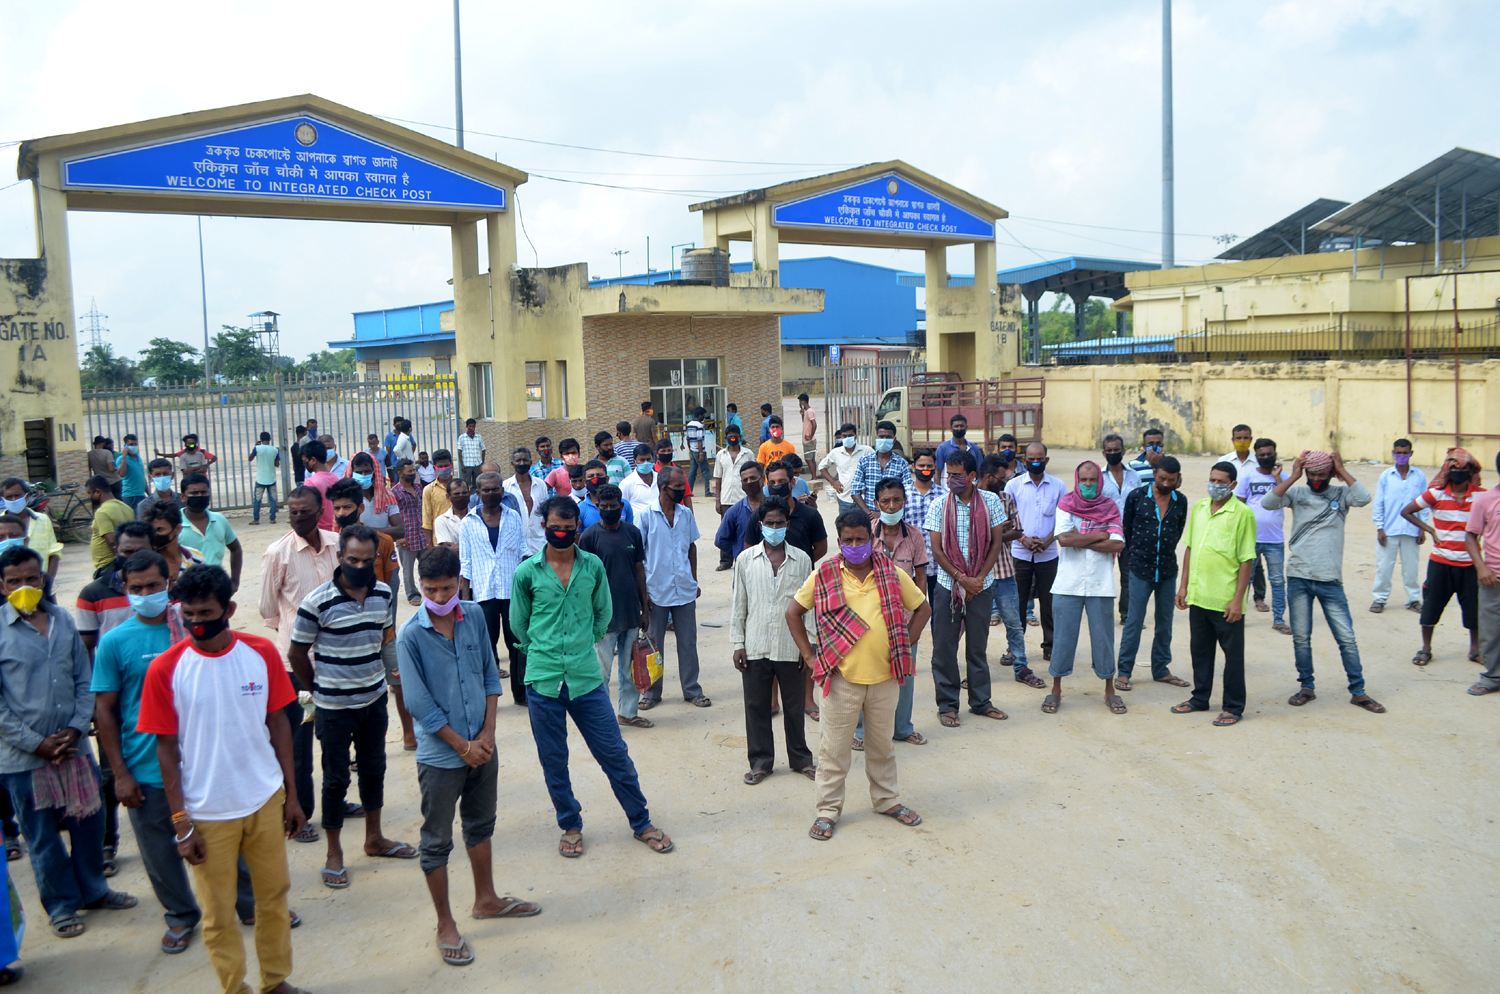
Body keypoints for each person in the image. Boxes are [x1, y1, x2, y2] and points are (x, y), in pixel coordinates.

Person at [137, 565, 307, 994]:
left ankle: (275, 981)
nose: (197, 622)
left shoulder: (261, 653)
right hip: (207, 812)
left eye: (206, 613)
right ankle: (234, 988)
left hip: (264, 798)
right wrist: (181, 820)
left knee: (274, 898)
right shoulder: (165, 669)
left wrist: (291, 795)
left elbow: (279, 724)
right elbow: (165, 750)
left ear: (228, 610)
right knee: (217, 914)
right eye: (189, 614)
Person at [93, 550, 266, 954]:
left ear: (168, 583)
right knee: (160, 850)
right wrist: (120, 773)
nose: (145, 594)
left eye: (153, 585)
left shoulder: (195, 626)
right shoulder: (115, 642)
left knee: (228, 841)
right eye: (136, 588)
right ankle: (181, 915)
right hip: (146, 766)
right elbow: (104, 711)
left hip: (205, 761)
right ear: (125, 589)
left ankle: (248, 905)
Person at [396, 546, 539, 967]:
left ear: (460, 582)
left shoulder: (474, 616)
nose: (439, 597)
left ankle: (486, 899)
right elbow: (419, 704)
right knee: (436, 841)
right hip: (441, 758)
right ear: (420, 586)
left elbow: (490, 676)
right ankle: (445, 923)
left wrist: (487, 734)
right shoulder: (410, 635)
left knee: (481, 824)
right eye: (430, 590)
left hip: (483, 748)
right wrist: (462, 745)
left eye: (446, 588)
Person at [511, 498, 674, 858]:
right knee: (554, 760)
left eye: (568, 529)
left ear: (577, 530)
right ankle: (570, 824)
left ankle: (641, 821)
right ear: (544, 526)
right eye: (555, 527)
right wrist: (544, 649)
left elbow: (603, 614)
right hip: (543, 682)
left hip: (586, 679)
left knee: (615, 754)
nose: (561, 533)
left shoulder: (592, 567)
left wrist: (585, 643)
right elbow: (518, 625)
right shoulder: (527, 573)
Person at [0, 544, 138, 940]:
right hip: (25, 757)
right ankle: (60, 906)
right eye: (14, 581)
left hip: (74, 747)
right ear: (1, 585)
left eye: (31, 578)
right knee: (42, 835)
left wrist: (77, 728)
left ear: (43, 578)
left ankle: (94, 890)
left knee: (89, 822)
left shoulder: (62, 619)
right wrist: (36, 743)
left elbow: (84, 678)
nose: (24, 586)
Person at [788, 512, 930, 842]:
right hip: (841, 681)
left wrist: (903, 646)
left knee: (882, 747)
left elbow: (922, 609)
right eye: (848, 540)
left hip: (884, 680)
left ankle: (887, 800)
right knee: (834, 751)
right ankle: (827, 810)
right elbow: (793, 612)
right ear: (839, 542)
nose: (855, 545)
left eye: (861, 539)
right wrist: (810, 657)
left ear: (871, 539)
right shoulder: (824, 574)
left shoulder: (891, 573)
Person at [288, 523, 414, 890]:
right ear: (340, 557)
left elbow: (382, 640)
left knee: (374, 770)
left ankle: (374, 838)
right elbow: (296, 653)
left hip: (373, 701)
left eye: (366, 560)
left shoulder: (383, 594)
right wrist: (319, 689)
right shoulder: (317, 602)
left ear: (376, 558)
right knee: (336, 779)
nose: (359, 566)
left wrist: (383, 681)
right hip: (333, 708)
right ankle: (334, 852)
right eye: (352, 559)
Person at [1260, 451, 1385, 713]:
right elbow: (1269, 502)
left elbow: (1364, 498)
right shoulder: (1297, 493)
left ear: (1331, 473)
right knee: (1301, 638)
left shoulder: (1342, 494)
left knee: (1346, 638)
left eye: (1322, 474)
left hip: (1330, 579)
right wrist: (1293, 476)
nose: (1317, 479)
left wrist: (1343, 470)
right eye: (1312, 474)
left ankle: (1358, 692)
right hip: (1299, 577)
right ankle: (1307, 687)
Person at [259, 486, 339, 838]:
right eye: (293, 512)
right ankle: (300, 813)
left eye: (305, 512)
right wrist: (295, 630)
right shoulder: (279, 553)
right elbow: (267, 607)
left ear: (320, 511)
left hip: (335, 660)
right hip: (296, 666)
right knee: (298, 744)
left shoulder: (337, 545)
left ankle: (336, 802)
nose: (298, 517)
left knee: (335, 738)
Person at [732, 499, 815, 782]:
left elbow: (809, 606)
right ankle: (760, 762)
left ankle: (801, 759)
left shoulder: (802, 560)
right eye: (770, 523)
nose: (775, 528)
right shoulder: (745, 560)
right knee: (756, 707)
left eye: (780, 523)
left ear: (788, 525)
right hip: (755, 644)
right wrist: (738, 643)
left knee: (795, 707)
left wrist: (809, 648)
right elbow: (739, 603)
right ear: (761, 526)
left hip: (791, 645)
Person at [924, 450, 1008, 726]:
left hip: (981, 586)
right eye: (949, 474)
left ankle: (981, 702)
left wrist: (978, 579)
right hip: (948, 586)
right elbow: (937, 550)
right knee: (944, 648)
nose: (951, 479)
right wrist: (962, 578)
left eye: (957, 475)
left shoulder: (991, 502)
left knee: (977, 647)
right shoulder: (939, 505)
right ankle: (948, 705)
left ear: (972, 476)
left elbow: (995, 544)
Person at [327, 480, 411, 748]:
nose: (341, 513)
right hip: (346, 635)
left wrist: (386, 627)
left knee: (399, 683)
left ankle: (410, 734)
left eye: (347, 507)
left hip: (383, 632)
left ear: (360, 508)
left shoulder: (382, 542)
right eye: (337, 508)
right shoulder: (329, 545)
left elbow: (391, 588)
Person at [1171, 462, 1257, 726]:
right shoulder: (1200, 508)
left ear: (1233, 485)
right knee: (1200, 651)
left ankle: (1233, 706)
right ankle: (1200, 698)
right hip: (1199, 596)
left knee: (1233, 657)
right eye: (1212, 480)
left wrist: (1237, 600)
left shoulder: (1242, 514)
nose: (1215, 485)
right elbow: (1190, 549)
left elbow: (1246, 559)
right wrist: (1184, 586)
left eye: (1221, 482)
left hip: (1225, 600)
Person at [1043, 461, 1127, 716]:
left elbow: (1117, 545)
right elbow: (1064, 539)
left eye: (1092, 480)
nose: (1088, 484)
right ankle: (1056, 689)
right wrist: (1100, 534)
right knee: (1062, 638)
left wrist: (1080, 538)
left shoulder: (1110, 507)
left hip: (1100, 584)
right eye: (1084, 480)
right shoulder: (1066, 504)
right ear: (1077, 480)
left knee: (1104, 639)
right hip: (1068, 583)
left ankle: (1110, 689)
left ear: (1099, 481)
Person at [853, 479, 929, 748]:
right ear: (876, 503)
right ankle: (861, 731)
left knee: (904, 675)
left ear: (905, 502)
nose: (891, 506)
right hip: (870, 619)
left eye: (897, 500)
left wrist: (917, 613)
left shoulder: (915, 536)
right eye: (885, 501)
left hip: (904, 620)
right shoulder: (866, 535)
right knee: (866, 676)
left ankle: (902, 728)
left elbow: (921, 577)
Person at [1403, 448, 1485, 667]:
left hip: (1471, 564)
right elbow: (1406, 511)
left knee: (1474, 608)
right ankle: (1426, 648)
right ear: (1448, 470)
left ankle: (1475, 650)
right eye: (1455, 468)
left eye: (1464, 468)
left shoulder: (1481, 496)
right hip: (1441, 562)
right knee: (1432, 606)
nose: (1459, 472)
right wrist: (1429, 529)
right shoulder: (1436, 494)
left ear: (1471, 471)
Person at [578, 484, 652, 728]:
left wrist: (645, 608)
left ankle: (628, 713)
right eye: (604, 506)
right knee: (601, 672)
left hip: (630, 612)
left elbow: (639, 570)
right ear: (597, 506)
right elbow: (584, 579)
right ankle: (601, 719)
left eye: (613, 506)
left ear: (622, 506)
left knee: (629, 670)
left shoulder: (632, 533)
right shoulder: (589, 537)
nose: (609, 509)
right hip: (603, 618)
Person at [1116, 456, 1190, 691]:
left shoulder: (1181, 501)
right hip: (1140, 569)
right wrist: (1136, 556)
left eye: (1171, 480)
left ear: (1178, 479)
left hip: (1167, 570)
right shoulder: (1137, 496)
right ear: (1154, 474)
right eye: (1162, 478)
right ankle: (1124, 671)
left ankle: (1161, 669)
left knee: (1165, 622)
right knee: (1134, 621)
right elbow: (1126, 529)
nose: (1166, 483)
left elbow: (1177, 531)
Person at [638, 467, 709, 710]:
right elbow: (638, 558)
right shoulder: (645, 516)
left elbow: (691, 547)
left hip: (684, 589)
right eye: (678, 487)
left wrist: (694, 580)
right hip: (655, 591)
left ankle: (692, 690)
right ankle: (651, 693)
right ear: (663, 488)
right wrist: (643, 593)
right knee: (653, 644)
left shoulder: (686, 514)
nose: (682, 491)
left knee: (688, 642)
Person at [459, 472, 529, 703]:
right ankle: (486, 697)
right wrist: (466, 601)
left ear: (502, 491)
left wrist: (528, 590)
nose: (491, 493)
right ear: (478, 493)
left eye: (495, 489)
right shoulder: (468, 522)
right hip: (483, 594)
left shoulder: (513, 517)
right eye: (486, 490)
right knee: (485, 648)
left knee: (517, 644)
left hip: (511, 593)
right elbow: (465, 563)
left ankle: (521, 694)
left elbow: (522, 551)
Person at [978, 454, 1039, 687]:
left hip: (1004, 571)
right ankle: (976, 672)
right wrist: (997, 532)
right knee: (977, 626)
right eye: (1002, 479)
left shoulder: (1006, 498)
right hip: (978, 575)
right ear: (989, 477)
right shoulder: (969, 500)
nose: (1005, 482)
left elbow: (1017, 531)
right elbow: (968, 538)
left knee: (1014, 622)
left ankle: (1021, 667)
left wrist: (993, 534)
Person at [1005, 442, 1066, 661]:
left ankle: (1051, 646)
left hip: (1048, 556)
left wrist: (1049, 541)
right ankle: (1015, 648)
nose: (1036, 462)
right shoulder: (1013, 486)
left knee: (1049, 604)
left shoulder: (1058, 486)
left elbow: (1064, 519)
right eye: (1031, 459)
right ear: (1024, 460)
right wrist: (1023, 539)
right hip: (1020, 554)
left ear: (1046, 460)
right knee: (1017, 604)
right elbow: (1006, 519)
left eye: (1040, 459)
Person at [1235, 437, 1291, 633]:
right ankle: (1238, 618)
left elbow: (1287, 500)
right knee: (1245, 580)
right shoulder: (1247, 477)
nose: (1266, 457)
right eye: (1262, 455)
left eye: (1269, 454)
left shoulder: (1284, 477)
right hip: (1251, 538)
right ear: (1256, 456)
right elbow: (1239, 506)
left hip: (1275, 540)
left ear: (1275, 454)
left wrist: (1278, 478)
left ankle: (1279, 620)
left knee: (1278, 581)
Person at [76, 520, 155, 654]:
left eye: (141, 552)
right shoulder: (92, 594)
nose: (134, 558)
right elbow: (85, 649)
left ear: (154, 550)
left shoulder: (167, 589)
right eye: (127, 552)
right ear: (115, 550)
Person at [1371, 438, 1429, 613]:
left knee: (1411, 568)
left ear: (1411, 453)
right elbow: (1379, 503)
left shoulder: (1419, 476)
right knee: (1384, 567)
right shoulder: (1386, 476)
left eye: (1405, 453)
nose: (1401, 456)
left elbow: (1424, 504)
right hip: (1389, 529)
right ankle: (1379, 599)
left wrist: (1422, 528)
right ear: (1393, 453)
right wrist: (1380, 528)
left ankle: (1413, 599)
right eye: (1398, 453)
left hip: (1412, 529)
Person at [745, 461, 829, 563]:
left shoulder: (810, 514)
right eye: (772, 482)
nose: (777, 486)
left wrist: (801, 565)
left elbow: (821, 549)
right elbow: (750, 549)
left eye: (781, 481)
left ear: (792, 482)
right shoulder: (758, 515)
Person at [1466, 453, 1500, 696]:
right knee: (1492, 631)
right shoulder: (1486, 500)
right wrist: (1481, 567)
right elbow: (1470, 536)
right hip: (1493, 578)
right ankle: (1493, 677)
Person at [1100, 433, 1141, 623]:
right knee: (1103, 574)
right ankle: (1101, 614)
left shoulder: (1134, 476)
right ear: (1104, 453)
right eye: (1109, 450)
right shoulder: (1098, 478)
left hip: (1130, 534)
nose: (1113, 453)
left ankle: (1127, 615)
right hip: (1106, 534)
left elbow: (1140, 503)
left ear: (1123, 451)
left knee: (1129, 576)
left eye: (1116, 450)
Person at [178, 473, 243, 589]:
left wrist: (235, 582)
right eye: (194, 493)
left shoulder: (220, 520)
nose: (199, 496)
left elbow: (236, 549)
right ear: (183, 497)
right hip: (187, 590)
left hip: (217, 588)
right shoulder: (174, 524)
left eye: (204, 492)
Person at [2, 478, 61, 594]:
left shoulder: (43, 520)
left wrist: (47, 583)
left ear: (27, 496)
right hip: (8, 592)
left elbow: (54, 553)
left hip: (41, 588)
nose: (13, 500)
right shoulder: (1, 525)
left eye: (17, 496)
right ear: (2, 499)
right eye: (9, 497)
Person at [849, 421, 913, 520]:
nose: (884, 440)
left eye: (888, 437)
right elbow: (855, 491)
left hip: (893, 517)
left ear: (894, 440)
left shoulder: (902, 463)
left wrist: (884, 515)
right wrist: (869, 514)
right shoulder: (865, 461)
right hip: (869, 517)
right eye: (881, 436)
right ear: (876, 438)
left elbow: (908, 492)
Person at [714, 462, 768, 563]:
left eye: (753, 478)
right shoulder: (734, 512)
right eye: (745, 480)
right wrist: (738, 552)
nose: (749, 482)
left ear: (763, 479)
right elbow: (720, 540)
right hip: (745, 566)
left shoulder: (773, 507)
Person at [818, 422, 874, 517]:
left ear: (855, 436)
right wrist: (833, 482)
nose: (847, 438)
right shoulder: (835, 453)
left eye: (850, 435)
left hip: (864, 498)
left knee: (865, 524)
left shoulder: (867, 451)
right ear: (841, 437)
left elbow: (878, 466)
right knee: (845, 524)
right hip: (844, 498)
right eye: (844, 436)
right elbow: (822, 467)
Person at [141, 503, 206, 583]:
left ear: (178, 529)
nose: (154, 534)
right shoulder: (144, 562)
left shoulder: (196, 558)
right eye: (151, 530)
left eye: (159, 529)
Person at [392, 459, 427, 606]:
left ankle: (429, 591)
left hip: (422, 535)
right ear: (400, 473)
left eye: (414, 470)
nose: (413, 473)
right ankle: (412, 595)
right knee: (408, 569)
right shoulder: (394, 492)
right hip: (406, 536)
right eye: (409, 471)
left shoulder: (419, 488)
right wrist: (399, 537)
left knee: (427, 566)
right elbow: (392, 516)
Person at [504, 448, 549, 554]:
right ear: (512, 464)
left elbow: (546, 512)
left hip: (539, 542)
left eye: (525, 460)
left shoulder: (541, 484)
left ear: (530, 462)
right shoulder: (505, 487)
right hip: (515, 544)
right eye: (518, 460)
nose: (522, 463)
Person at [88, 475, 136, 570]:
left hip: (109, 565)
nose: (88, 496)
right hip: (126, 561)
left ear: (98, 492)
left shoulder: (102, 512)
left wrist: (120, 562)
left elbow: (111, 541)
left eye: (89, 493)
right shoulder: (126, 507)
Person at [299, 439, 341, 532]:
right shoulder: (337, 478)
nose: (305, 464)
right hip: (336, 529)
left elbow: (308, 512)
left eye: (305, 461)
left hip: (321, 531)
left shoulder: (311, 482)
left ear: (313, 460)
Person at [579, 461, 635, 529]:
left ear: (607, 479)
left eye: (599, 475)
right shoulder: (580, 509)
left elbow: (630, 530)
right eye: (591, 476)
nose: (595, 479)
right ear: (584, 482)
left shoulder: (624, 504)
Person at [420, 449, 457, 546]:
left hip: (459, 539)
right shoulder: (429, 490)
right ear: (434, 467)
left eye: (446, 465)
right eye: (440, 466)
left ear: (451, 465)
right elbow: (427, 519)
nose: (444, 468)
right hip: (439, 540)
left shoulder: (460, 486)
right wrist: (429, 544)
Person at [135, 458, 183, 523]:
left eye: (165, 473)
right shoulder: (144, 505)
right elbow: (144, 528)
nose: (162, 477)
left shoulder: (182, 500)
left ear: (172, 475)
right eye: (157, 474)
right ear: (150, 478)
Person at [249, 431, 282, 525]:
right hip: (271, 478)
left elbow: (250, 458)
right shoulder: (275, 450)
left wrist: (255, 447)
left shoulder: (257, 448)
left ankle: (256, 519)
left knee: (257, 499)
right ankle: (272, 518)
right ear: (270, 439)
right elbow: (277, 464)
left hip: (260, 478)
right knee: (273, 499)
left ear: (261, 439)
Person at [620, 445, 660, 519]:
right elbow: (623, 508)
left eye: (648, 459)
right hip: (637, 524)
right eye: (642, 460)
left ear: (653, 459)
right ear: (634, 462)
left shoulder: (660, 479)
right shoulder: (627, 483)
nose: (646, 463)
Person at [434, 478, 471, 550]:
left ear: (469, 494)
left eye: (464, 493)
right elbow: (448, 549)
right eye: (456, 494)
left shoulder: (478, 517)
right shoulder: (441, 521)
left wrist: (458, 547)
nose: (461, 496)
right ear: (448, 497)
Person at [685, 407, 712, 497]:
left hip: (692, 451)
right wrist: (701, 453)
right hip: (699, 451)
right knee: (706, 472)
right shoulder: (699, 426)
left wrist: (690, 450)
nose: (704, 417)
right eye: (703, 415)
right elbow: (699, 440)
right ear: (700, 415)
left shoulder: (689, 424)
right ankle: (708, 492)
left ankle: (689, 492)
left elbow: (688, 439)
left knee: (692, 472)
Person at [116, 433, 147, 510]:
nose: (134, 446)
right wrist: (124, 456)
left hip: (141, 494)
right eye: (131, 444)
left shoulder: (138, 457)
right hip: (130, 496)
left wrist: (148, 493)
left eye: (135, 444)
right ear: (125, 446)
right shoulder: (121, 459)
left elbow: (142, 476)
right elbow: (122, 474)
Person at [89, 436, 123, 500]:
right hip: (114, 481)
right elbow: (111, 469)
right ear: (103, 443)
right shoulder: (107, 453)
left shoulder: (89, 454)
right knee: (119, 501)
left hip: (102, 483)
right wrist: (117, 468)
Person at [455, 419, 485, 489]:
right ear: (467, 426)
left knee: (477, 484)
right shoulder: (462, 438)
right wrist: (462, 465)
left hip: (477, 464)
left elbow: (483, 449)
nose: (472, 428)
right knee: (465, 484)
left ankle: (475, 494)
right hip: (467, 465)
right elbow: (460, 451)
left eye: (473, 426)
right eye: (470, 426)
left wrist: (482, 462)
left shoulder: (479, 437)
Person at [798, 394, 818, 470]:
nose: (799, 404)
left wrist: (810, 435)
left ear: (803, 402)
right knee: (812, 459)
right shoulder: (808, 411)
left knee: (808, 459)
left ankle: (813, 475)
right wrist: (802, 415)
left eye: (800, 402)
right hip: (810, 439)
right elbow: (806, 423)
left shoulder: (809, 411)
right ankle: (814, 475)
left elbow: (814, 424)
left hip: (808, 440)